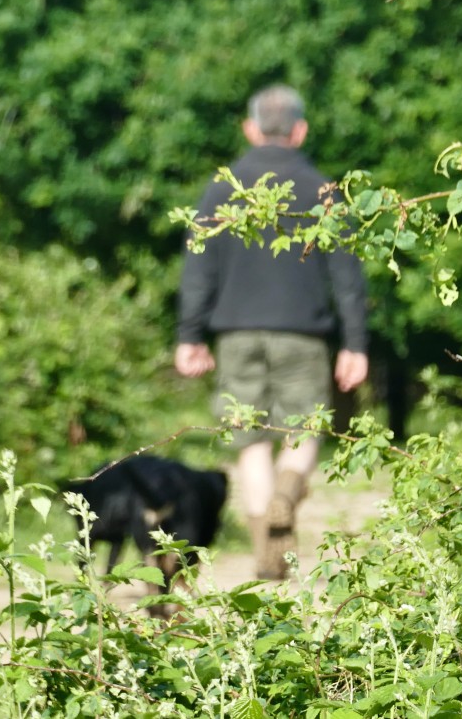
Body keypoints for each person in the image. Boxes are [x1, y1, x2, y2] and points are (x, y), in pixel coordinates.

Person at [175, 84, 369, 580]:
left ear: (250, 128)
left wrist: (189, 335)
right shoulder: (323, 190)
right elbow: (347, 277)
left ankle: (270, 546)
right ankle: (289, 493)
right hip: (303, 335)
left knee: (250, 439)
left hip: (236, 334)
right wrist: (355, 345)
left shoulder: (222, 189)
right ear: (300, 130)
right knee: (304, 427)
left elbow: (197, 269)